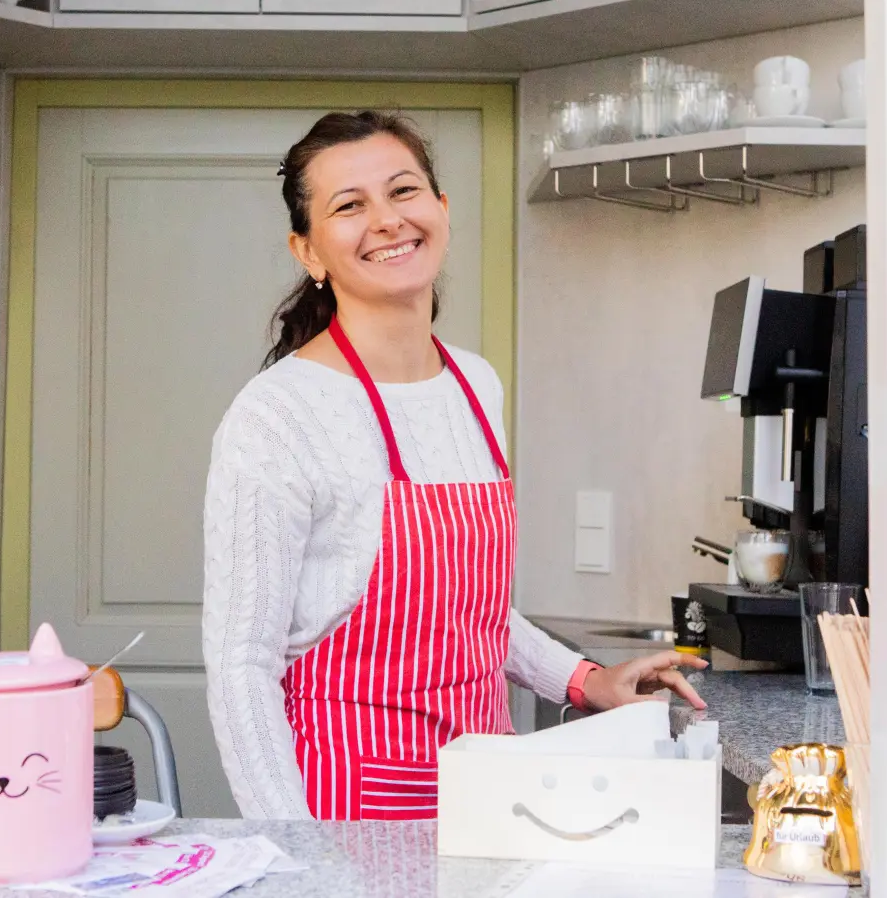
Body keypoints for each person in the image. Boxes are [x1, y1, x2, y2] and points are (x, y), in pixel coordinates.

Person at [201, 110, 708, 821]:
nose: (386, 219)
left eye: (403, 191)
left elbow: (470, 616)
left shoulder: (474, 384)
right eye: (349, 206)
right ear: (308, 251)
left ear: (441, 209)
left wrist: (585, 680)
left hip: (487, 798)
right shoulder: (278, 415)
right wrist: (295, 848)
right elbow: (241, 668)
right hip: (346, 808)